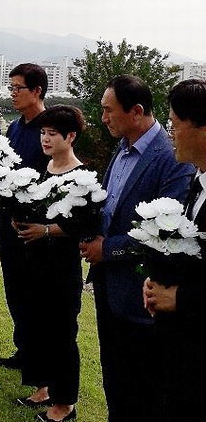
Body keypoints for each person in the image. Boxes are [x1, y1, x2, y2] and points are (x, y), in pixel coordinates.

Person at [79, 75, 193, 422]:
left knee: (143, 387)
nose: (103, 118)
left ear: (137, 111)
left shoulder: (170, 157)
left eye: (108, 110)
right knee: (114, 377)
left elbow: (165, 232)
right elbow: (112, 207)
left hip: (140, 295)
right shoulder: (124, 145)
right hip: (108, 286)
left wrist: (108, 250)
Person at [12, 106, 93, 422]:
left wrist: (45, 230)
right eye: (42, 133)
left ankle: (65, 404)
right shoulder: (46, 168)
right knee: (38, 327)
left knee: (61, 334)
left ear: (70, 136)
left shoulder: (82, 177)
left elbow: (83, 224)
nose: (45, 139)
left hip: (61, 269)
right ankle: (43, 389)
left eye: (52, 134)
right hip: (36, 262)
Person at [143, 78, 205, 422]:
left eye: (175, 125)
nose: (171, 134)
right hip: (181, 347)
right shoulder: (197, 181)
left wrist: (181, 298)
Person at [0, 63, 50, 369]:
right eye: (11, 88)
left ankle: (38, 356)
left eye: (18, 88)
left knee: (34, 291)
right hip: (8, 216)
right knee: (14, 286)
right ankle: (23, 349)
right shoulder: (15, 127)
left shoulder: (50, 126)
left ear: (37, 91)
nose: (13, 94)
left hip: (36, 223)